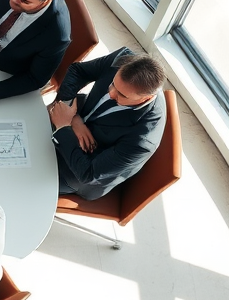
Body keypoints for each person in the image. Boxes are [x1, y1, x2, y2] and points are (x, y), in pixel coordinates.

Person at [49, 47, 166, 200]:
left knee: (25, 175)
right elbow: (78, 71)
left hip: (78, 169)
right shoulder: (122, 58)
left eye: (121, 95)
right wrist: (73, 118)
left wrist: (63, 127)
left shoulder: (142, 141)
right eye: (113, 84)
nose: (110, 93)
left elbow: (88, 174)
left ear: (145, 98)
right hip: (74, 118)